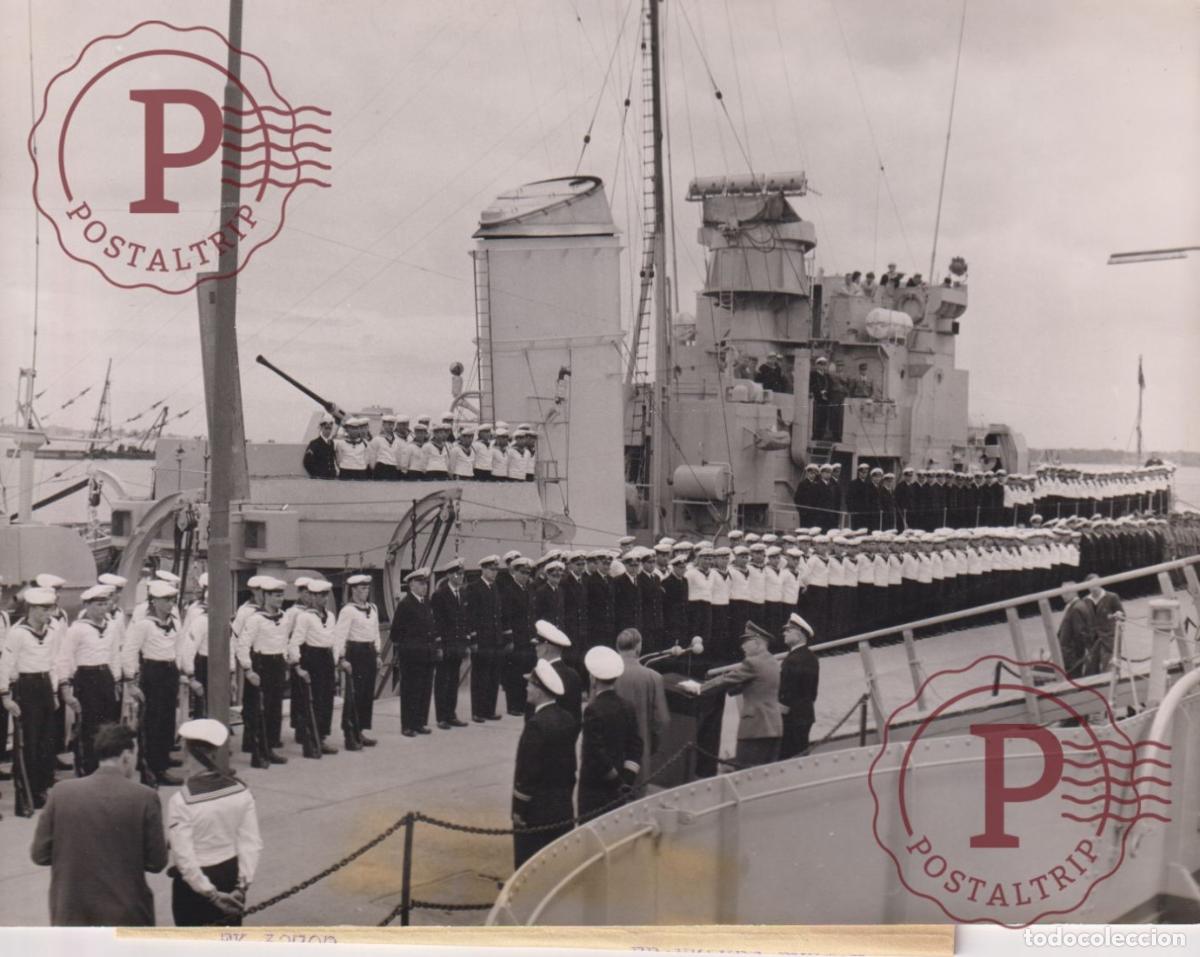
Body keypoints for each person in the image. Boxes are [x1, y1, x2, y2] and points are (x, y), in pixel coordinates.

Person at [30, 722, 167, 925]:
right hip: (126, 916)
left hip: (70, 916)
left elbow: (39, 855)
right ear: (126, 756)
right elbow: (157, 862)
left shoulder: (61, 792)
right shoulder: (145, 797)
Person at [167, 719, 263, 927]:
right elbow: (251, 843)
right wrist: (242, 886)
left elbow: (185, 858)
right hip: (230, 874)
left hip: (194, 886)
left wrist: (210, 893)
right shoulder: (241, 791)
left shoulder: (181, 800)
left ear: (187, 751)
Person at [511, 659, 578, 869]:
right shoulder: (567, 719)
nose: (526, 688)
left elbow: (526, 773)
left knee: (529, 865)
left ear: (540, 690)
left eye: (530, 684)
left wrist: (519, 809)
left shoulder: (536, 725)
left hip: (536, 811)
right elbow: (571, 767)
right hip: (562, 806)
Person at [122, 580, 187, 784]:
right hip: (153, 672)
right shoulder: (144, 624)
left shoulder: (174, 622)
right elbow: (129, 651)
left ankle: (162, 760)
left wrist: (181, 670)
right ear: (155, 601)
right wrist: (131, 681)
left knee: (168, 720)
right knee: (153, 722)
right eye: (166, 600)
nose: (170, 604)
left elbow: (179, 647)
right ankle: (151, 768)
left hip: (170, 672)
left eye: (172, 600)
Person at [55, 585, 123, 775]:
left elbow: (114, 654)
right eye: (99, 604)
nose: (103, 609)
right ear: (87, 605)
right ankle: (87, 768)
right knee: (88, 726)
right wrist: (65, 686)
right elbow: (65, 657)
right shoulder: (77, 629)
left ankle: (106, 767)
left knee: (108, 725)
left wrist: (116, 680)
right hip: (86, 678)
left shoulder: (111, 626)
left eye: (105, 604)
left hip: (105, 677)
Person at [695, 622, 782, 767]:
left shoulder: (752, 662)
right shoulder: (772, 661)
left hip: (755, 729)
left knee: (745, 775)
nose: (742, 647)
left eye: (746, 642)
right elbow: (753, 683)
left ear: (757, 642)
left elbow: (727, 679)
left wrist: (700, 688)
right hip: (774, 727)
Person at [578, 646, 642, 822]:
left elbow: (594, 753)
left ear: (593, 678)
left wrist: (614, 779)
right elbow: (636, 746)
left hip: (595, 787)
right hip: (621, 780)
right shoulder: (628, 707)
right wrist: (626, 780)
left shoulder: (593, 709)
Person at [235, 577, 290, 768]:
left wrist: (286, 664)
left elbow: (284, 641)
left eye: (281, 595)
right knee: (259, 710)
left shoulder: (284, 617)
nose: (280, 599)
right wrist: (248, 670)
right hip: (261, 665)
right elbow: (243, 645)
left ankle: (270, 748)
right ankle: (258, 752)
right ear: (266, 596)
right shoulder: (255, 619)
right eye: (276, 595)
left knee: (275, 710)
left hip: (277, 664)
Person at [287, 580, 341, 754]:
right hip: (312, 658)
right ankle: (311, 740)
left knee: (327, 701)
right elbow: (295, 642)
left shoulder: (331, 616)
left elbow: (334, 640)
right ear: (312, 596)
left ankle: (322, 737)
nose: (323, 599)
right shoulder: (305, 617)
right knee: (314, 701)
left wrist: (335, 662)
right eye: (319, 595)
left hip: (326, 659)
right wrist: (297, 665)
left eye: (325, 595)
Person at [612, 629, 669, 793]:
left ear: (618, 647)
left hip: (609, 750)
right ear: (638, 647)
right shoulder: (654, 677)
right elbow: (661, 720)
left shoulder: (603, 674)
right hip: (639, 752)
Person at [334, 574, 381, 747]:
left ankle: (360, 731)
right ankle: (349, 735)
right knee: (354, 695)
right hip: (355, 653)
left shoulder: (372, 608)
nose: (365, 592)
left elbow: (375, 632)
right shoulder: (348, 610)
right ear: (353, 590)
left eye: (367, 588)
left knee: (366, 695)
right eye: (362, 588)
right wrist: (341, 658)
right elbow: (340, 635)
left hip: (369, 652)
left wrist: (377, 654)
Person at [391, 568, 437, 736]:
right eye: (420, 583)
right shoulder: (405, 604)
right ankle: (408, 725)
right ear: (411, 584)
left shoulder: (425, 603)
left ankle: (419, 723)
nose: (424, 587)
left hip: (427, 655)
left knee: (424, 690)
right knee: (411, 691)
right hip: (411, 657)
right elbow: (395, 633)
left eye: (425, 583)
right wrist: (409, 647)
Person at [431, 559, 470, 729]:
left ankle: (451, 714)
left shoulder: (461, 593)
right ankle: (442, 717)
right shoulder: (440, 594)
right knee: (442, 681)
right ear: (448, 575)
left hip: (457, 645)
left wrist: (465, 643)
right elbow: (436, 623)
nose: (460, 577)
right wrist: (439, 646)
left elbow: (463, 621)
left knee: (454, 680)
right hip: (445, 646)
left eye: (461, 574)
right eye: (456, 573)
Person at [465, 555, 505, 722]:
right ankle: (478, 711)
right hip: (481, 640)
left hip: (494, 639)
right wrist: (473, 639)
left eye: (496, 569)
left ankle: (489, 709)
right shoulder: (475, 588)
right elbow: (471, 616)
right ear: (483, 569)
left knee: (493, 677)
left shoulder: (494, 587)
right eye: (491, 569)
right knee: (480, 677)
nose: (494, 572)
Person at [778, 614, 820, 759]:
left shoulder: (793, 659)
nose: (784, 633)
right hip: (805, 714)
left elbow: (787, 692)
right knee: (800, 755)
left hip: (791, 718)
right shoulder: (810, 656)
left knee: (789, 757)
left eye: (788, 630)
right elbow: (813, 692)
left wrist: (780, 711)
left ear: (800, 633)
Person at [1057, 583, 1096, 679]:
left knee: (1074, 680)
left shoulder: (1075, 609)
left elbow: (1080, 633)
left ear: (1073, 592)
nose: (1062, 595)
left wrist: (1077, 655)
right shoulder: (1078, 606)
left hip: (1072, 656)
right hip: (1074, 654)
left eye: (1065, 593)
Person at [302, 414, 338, 479]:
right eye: (326, 428)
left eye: (330, 429)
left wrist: (334, 472)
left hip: (331, 477)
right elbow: (307, 462)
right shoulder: (314, 443)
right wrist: (315, 474)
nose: (328, 431)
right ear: (321, 428)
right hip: (320, 477)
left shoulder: (331, 443)